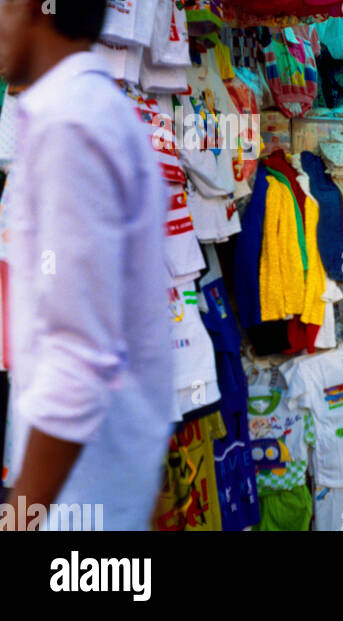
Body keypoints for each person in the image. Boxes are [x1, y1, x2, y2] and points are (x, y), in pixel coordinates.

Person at [0, 0, 173, 530]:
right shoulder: (99, 112)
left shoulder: (69, 125)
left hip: (79, 510)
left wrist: (20, 518)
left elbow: (77, 358)